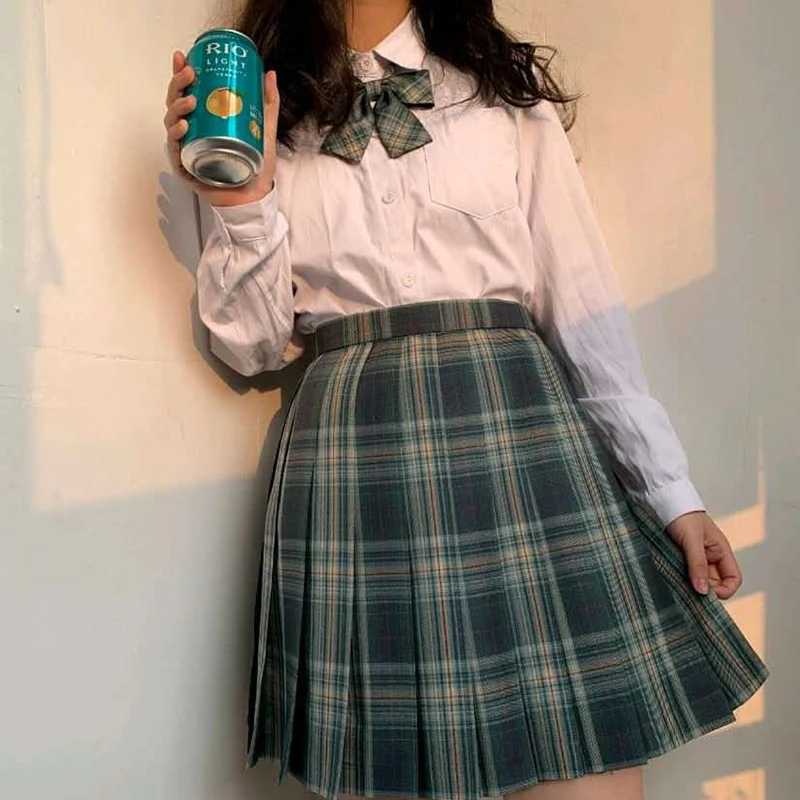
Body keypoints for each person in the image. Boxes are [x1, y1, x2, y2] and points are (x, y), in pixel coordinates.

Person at [163, 2, 768, 799]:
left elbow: (582, 305)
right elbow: (250, 345)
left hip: (521, 439)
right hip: (356, 457)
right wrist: (243, 201)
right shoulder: (260, 100)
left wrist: (670, 493)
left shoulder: (498, 90)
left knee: (584, 769)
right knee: (393, 770)